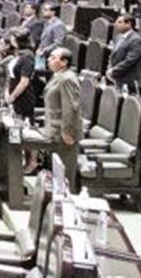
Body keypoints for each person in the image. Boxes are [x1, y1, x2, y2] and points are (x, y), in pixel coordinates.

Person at [43, 47, 81, 192]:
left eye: (53, 58)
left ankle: (66, 205)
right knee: (57, 173)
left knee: (65, 174)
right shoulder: (58, 75)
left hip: (64, 133)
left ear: (64, 62)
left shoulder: (67, 79)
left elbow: (71, 107)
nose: (49, 60)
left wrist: (68, 131)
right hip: (54, 130)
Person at [107, 14, 141, 94]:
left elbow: (129, 61)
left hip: (131, 82)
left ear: (129, 24)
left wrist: (113, 70)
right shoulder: (118, 38)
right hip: (119, 80)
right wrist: (110, 69)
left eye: (120, 22)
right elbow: (113, 56)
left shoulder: (136, 40)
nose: (116, 24)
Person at [7, 33, 37, 123]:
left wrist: (13, 96)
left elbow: (24, 82)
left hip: (23, 96)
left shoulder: (27, 56)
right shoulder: (18, 53)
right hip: (13, 90)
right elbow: (11, 74)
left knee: (22, 124)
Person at [35, 4, 65, 70]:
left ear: (53, 12)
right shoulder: (46, 22)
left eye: (45, 10)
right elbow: (44, 39)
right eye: (43, 9)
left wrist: (44, 50)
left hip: (52, 56)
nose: (43, 11)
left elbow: (58, 43)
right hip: (43, 55)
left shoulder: (58, 25)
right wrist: (40, 48)